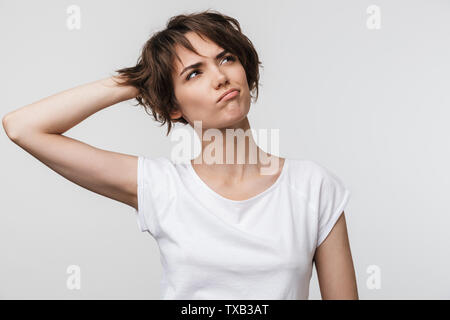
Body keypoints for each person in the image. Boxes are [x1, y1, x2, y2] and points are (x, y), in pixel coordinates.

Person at [2, 9, 358, 300]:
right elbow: (22, 126)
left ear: (245, 71)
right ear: (173, 106)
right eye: (194, 73)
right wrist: (139, 79)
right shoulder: (161, 186)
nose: (219, 77)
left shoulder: (312, 186)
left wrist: (180, 74)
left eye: (227, 58)